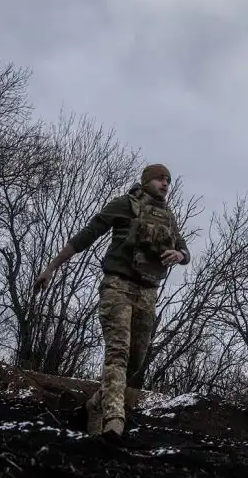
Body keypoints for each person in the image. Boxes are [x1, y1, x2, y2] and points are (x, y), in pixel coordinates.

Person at [34, 162, 190, 443]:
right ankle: (114, 421)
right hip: (117, 286)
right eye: (159, 179)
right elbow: (88, 233)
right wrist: (52, 266)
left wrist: (180, 255)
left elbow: (183, 248)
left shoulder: (168, 216)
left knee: (136, 361)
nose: (165, 184)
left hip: (148, 292)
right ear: (146, 182)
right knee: (117, 353)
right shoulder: (124, 204)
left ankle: (96, 404)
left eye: (168, 180)